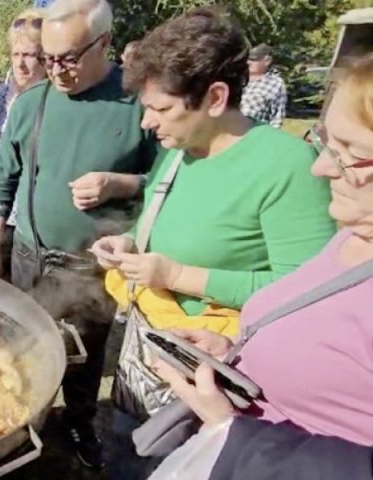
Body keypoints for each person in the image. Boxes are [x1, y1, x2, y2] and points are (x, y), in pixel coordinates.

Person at [93, 8, 337, 478]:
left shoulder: (287, 167)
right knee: (126, 459)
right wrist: (126, 243)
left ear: (215, 97)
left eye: (161, 109)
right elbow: (157, 225)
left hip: (212, 386)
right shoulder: (179, 150)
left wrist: (178, 276)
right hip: (145, 361)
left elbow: (305, 298)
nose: (147, 123)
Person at [148, 52, 373, 479]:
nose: (322, 166)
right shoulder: (355, 234)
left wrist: (233, 432)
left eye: (350, 153)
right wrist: (236, 348)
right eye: (326, 141)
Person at [0, 0, 157, 468]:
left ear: (105, 44)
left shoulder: (141, 101)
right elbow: (2, 180)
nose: (55, 70)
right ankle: (17, 423)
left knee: (83, 354)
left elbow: (170, 182)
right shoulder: (31, 102)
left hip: (93, 265)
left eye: (68, 58)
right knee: (19, 348)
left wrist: (121, 184)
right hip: (28, 255)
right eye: (48, 57)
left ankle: (79, 420)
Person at [0, 9, 48, 277]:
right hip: (2, 216)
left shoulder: (57, 101)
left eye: (30, 56)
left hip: (37, 225)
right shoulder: (0, 98)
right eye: (16, 55)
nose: (21, 64)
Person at [240, 43, 287, 128]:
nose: (248, 62)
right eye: (248, 59)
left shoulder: (275, 83)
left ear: (267, 61)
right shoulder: (238, 78)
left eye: (254, 60)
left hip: (254, 134)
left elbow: (277, 118)